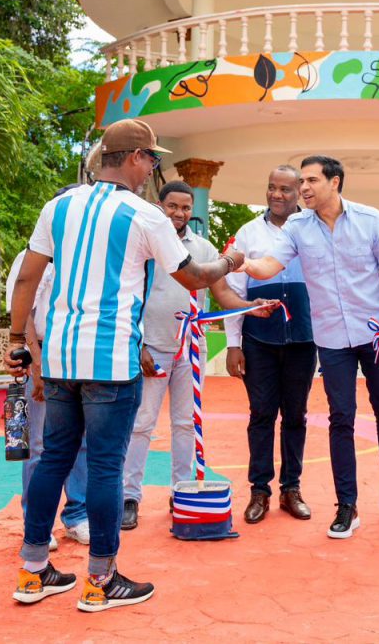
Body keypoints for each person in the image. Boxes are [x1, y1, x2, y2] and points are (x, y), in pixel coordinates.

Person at [4, 118, 248, 612]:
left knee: (54, 459)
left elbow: (26, 278)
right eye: (152, 159)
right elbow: (195, 277)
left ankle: (33, 573)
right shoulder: (144, 215)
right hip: (111, 360)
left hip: (60, 358)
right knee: (105, 467)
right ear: (136, 157)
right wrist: (231, 262)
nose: (153, 168)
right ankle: (101, 580)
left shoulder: (59, 207)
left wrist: (15, 341)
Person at [240, 155, 379, 539]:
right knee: (341, 418)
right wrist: (237, 262)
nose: (303, 188)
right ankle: (347, 506)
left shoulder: (370, 220)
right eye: (301, 182)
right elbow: (268, 266)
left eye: (311, 181)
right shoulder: (297, 227)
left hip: (375, 335)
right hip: (332, 339)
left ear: (334, 182)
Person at [121, 180, 273, 531]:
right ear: (160, 206)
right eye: (172, 206)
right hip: (152, 346)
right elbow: (129, 297)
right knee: (142, 422)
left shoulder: (203, 249)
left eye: (186, 207)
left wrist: (249, 306)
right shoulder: (144, 245)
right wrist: (138, 344)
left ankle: (181, 491)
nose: (179, 213)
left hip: (191, 347)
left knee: (186, 422)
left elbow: (222, 293)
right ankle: (130, 496)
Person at [224, 166, 317, 524]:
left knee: (295, 415)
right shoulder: (247, 233)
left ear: (299, 192)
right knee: (261, 414)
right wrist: (233, 344)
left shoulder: (313, 229)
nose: (277, 195)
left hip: (304, 339)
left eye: (285, 189)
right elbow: (234, 291)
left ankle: (291, 489)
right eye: (272, 187)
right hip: (258, 339)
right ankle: (259, 491)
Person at [6, 197, 89, 550]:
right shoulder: (32, 258)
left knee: (80, 441)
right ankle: (37, 522)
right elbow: (22, 312)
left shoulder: (83, 260)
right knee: (38, 445)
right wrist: (37, 365)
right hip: (38, 354)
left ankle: (77, 516)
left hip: (76, 356)